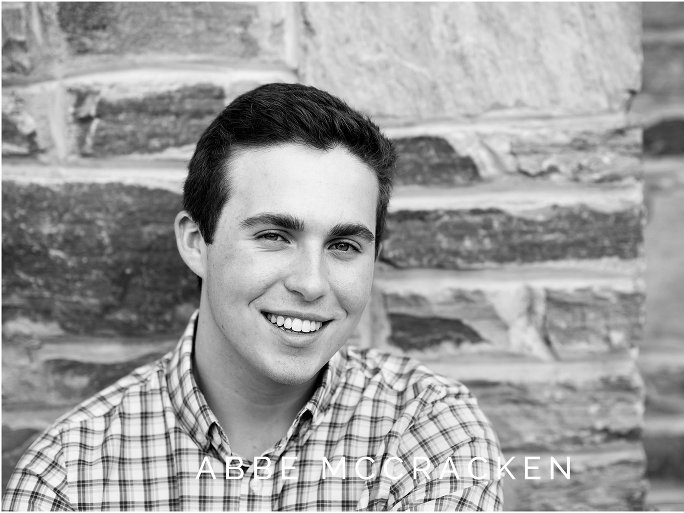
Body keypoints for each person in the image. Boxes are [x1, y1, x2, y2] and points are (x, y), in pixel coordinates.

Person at [3, 83, 504, 511]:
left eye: (343, 245)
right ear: (196, 243)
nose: (311, 283)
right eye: (274, 236)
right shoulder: (69, 477)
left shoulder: (427, 428)